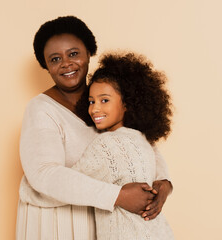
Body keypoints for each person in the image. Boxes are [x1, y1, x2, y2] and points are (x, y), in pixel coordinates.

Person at [16, 16, 173, 239]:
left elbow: (142, 143)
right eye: (54, 59)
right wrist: (117, 196)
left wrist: (164, 183)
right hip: (58, 221)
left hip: (107, 219)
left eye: (73, 54)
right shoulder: (41, 109)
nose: (66, 64)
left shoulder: (106, 97)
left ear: (89, 52)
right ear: (46, 66)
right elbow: (44, 175)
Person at [73, 52, 174, 239]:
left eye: (105, 100)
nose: (94, 109)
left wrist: (29, 189)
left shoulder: (106, 144)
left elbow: (69, 183)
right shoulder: (143, 141)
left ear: (127, 104)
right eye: (91, 101)